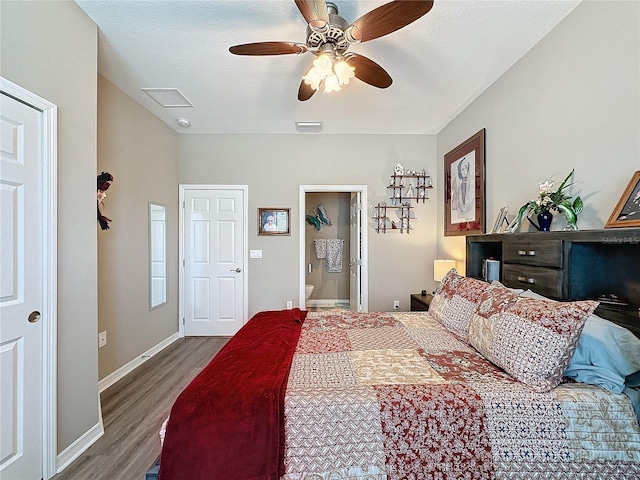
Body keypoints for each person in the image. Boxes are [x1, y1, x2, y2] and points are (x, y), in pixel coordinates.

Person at [451, 155, 475, 222]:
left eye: (466, 168)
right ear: (460, 171)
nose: (464, 171)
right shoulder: (459, 188)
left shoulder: (471, 185)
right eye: (462, 169)